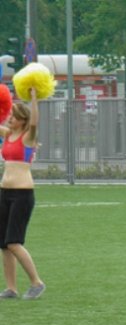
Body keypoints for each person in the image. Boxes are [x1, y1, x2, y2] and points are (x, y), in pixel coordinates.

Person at [0, 88, 46, 300]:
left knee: (14, 242)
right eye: (9, 115)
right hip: (4, 192)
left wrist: (34, 98)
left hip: (22, 194)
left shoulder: (28, 137)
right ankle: (11, 288)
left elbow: (34, 121)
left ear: (22, 120)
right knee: (3, 244)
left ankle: (37, 282)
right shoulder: (8, 135)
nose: (10, 118)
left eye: (14, 116)